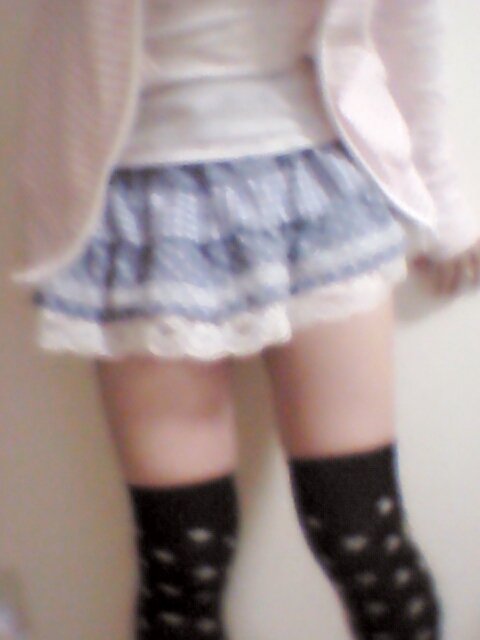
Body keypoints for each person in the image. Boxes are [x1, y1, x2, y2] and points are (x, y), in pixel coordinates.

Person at [9, 0, 480, 638]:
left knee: (362, 534)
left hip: (318, 185)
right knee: (183, 561)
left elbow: (408, 22)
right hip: (143, 210)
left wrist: (443, 205)